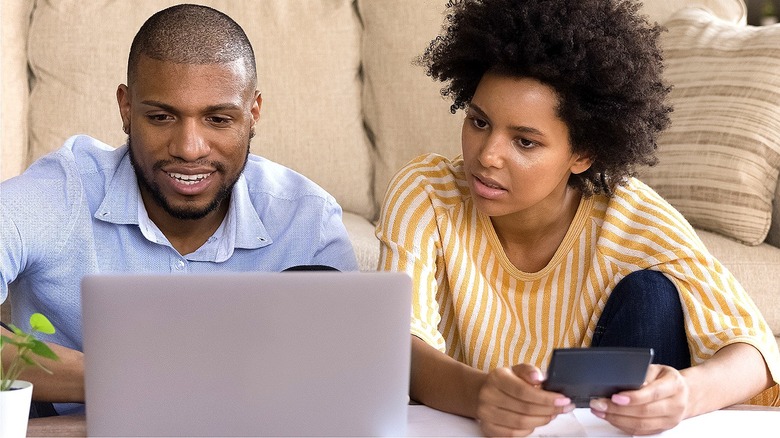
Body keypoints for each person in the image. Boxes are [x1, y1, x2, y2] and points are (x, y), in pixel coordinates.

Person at [375, 0, 780, 435]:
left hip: (603, 422)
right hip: (473, 423)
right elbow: (398, 341)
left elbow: (755, 350)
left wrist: (686, 392)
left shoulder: (629, 214)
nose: (487, 155)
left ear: (583, 154)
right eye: (479, 122)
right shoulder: (427, 191)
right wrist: (480, 394)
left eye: (525, 142)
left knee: (654, 294)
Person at [0, 4, 358, 416]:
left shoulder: (309, 222)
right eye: (161, 117)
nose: (189, 149)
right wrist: (129, 380)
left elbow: (349, 376)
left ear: (253, 113)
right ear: (126, 109)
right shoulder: (59, 193)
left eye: (218, 119)